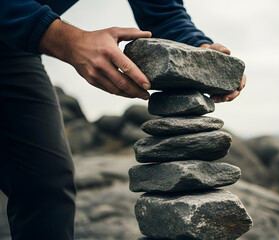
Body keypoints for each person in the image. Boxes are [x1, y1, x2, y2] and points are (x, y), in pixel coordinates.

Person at [0, 1, 246, 239]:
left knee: (46, 186)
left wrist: (199, 50)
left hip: (11, 54)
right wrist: (68, 40)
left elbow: (163, 11)